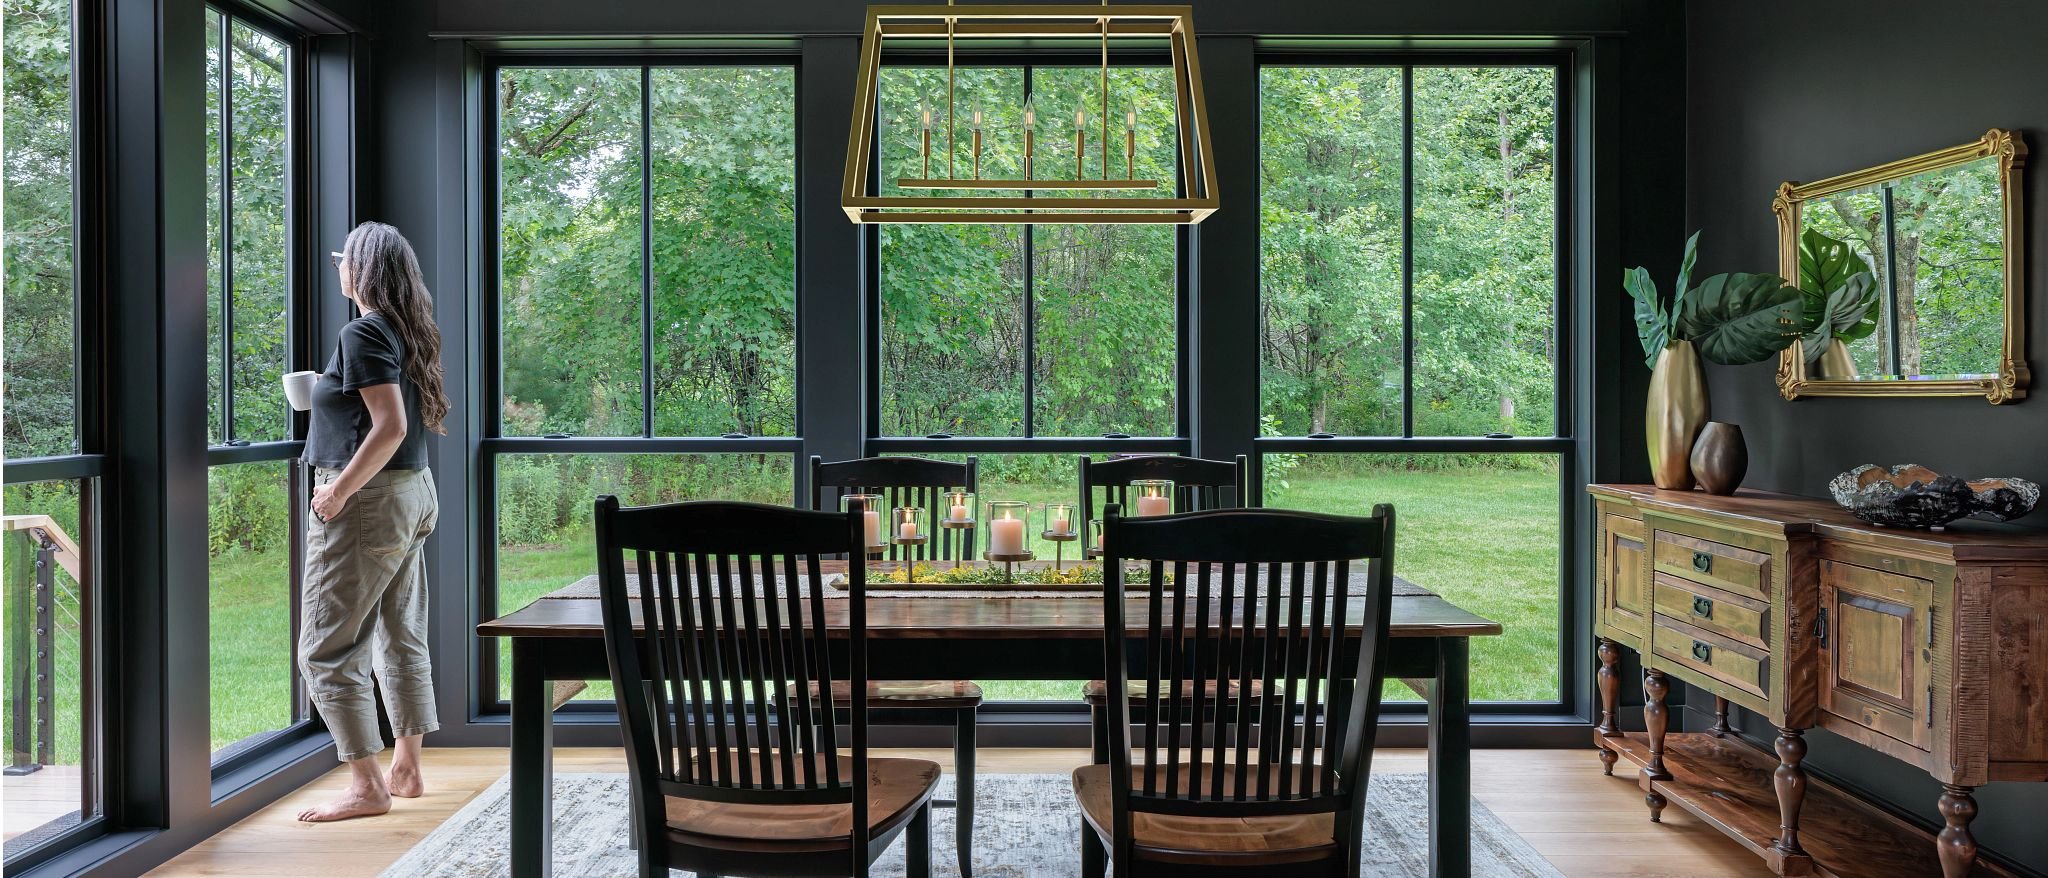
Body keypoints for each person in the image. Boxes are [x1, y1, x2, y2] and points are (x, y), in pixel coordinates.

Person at [294, 221, 449, 822]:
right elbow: (381, 416)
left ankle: (366, 786)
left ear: (360, 268)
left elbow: (390, 426)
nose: (337, 267)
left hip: (369, 504)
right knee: (399, 633)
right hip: (412, 495)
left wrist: (335, 491)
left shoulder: (362, 331)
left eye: (342, 259)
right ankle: (405, 769)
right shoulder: (403, 328)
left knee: (326, 650)